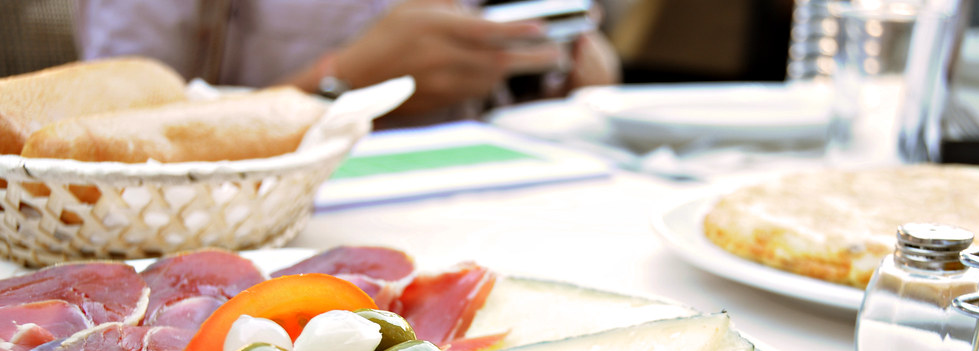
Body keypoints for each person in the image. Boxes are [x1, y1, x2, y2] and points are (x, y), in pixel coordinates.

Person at [74, 0, 621, 126]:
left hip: (482, 197)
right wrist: (341, 83)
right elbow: (115, 137)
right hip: (256, 230)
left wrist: (572, 63)